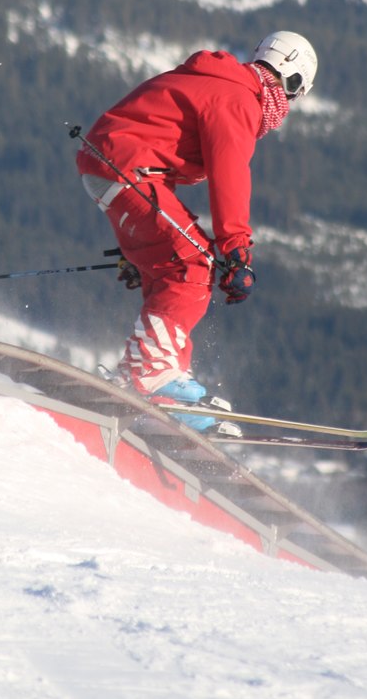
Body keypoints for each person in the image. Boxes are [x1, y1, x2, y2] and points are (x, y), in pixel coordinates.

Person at [77, 30, 318, 432]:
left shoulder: (217, 82)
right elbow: (230, 176)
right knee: (193, 263)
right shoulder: (239, 99)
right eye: (294, 95)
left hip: (115, 165)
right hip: (128, 170)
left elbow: (155, 148)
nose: (286, 107)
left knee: (177, 262)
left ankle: (157, 376)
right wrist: (237, 251)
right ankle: (148, 374)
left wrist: (144, 248)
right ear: (291, 80)